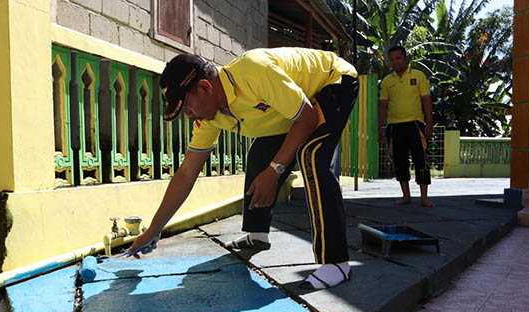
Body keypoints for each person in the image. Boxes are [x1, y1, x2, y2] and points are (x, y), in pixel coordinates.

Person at [128, 48, 359, 289]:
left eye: (186, 107)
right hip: (294, 110)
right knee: (260, 155)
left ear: (206, 87)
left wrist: (275, 171)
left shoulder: (255, 71)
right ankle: (257, 234)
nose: (188, 115)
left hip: (332, 81)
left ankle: (337, 262)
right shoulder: (211, 117)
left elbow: (308, 119)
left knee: (312, 154)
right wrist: (153, 231)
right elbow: (187, 173)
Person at [378, 46, 435, 207]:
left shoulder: (419, 76)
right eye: (392, 59)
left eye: (398, 58)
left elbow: (426, 100)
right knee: (400, 162)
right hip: (394, 127)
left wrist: (429, 123)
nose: (396, 62)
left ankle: (424, 198)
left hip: (416, 125)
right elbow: (382, 106)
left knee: (421, 160)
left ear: (405, 58)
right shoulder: (387, 81)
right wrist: (379, 128)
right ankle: (406, 196)